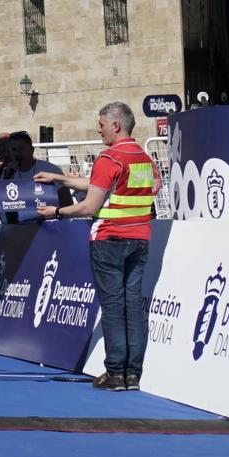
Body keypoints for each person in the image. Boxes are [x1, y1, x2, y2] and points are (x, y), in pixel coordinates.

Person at [38, 101, 158, 390]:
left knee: (113, 307)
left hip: (109, 239)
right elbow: (130, 187)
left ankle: (115, 372)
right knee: (132, 306)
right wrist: (60, 178)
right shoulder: (144, 158)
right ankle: (132, 375)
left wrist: (56, 212)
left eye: (101, 124)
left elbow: (89, 205)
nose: (99, 129)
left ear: (115, 125)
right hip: (140, 238)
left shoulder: (109, 157)